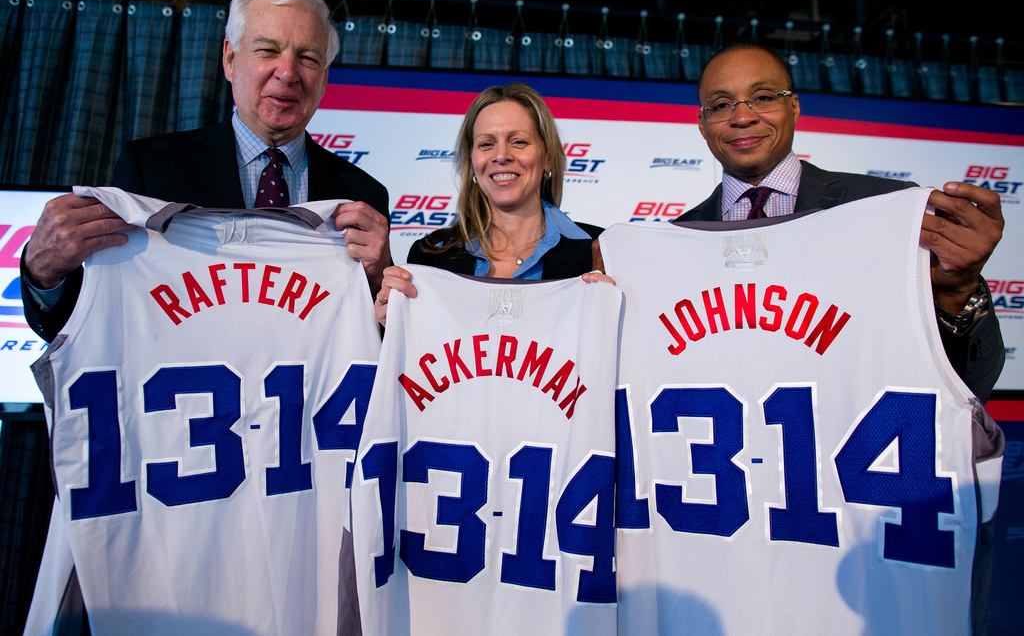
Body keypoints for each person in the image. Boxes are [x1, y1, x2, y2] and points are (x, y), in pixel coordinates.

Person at [20, 0, 391, 342]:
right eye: (267, 50)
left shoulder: (362, 196)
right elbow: (90, 331)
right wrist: (44, 275)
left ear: (324, 79)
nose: (288, 72)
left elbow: (378, 352)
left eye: (307, 58)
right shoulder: (151, 167)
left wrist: (379, 279)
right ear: (230, 59)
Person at [675, 41, 1005, 404]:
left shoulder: (889, 208)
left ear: (794, 106)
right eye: (721, 105)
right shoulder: (672, 244)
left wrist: (958, 292)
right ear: (703, 124)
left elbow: (968, 386)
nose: (742, 117)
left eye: (764, 97)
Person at [375, 82, 608, 325]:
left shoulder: (600, 252)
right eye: (486, 144)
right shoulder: (428, 255)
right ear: (472, 161)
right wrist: (386, 324)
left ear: (547, 157)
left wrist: (618, 321)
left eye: (518, 141)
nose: (501, 155)